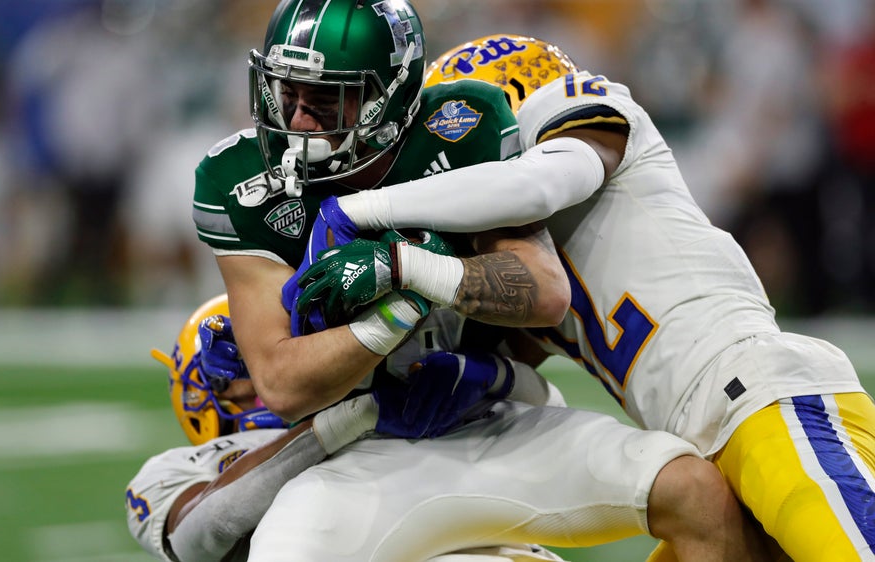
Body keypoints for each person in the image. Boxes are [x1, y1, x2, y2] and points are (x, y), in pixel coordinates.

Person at [191, 2, 770, 560]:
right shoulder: (237, 182)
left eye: (325, 98)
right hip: (356, 450)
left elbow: (543, 292)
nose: (296, 119)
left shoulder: (459, 128)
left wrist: (406, 268)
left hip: (489, 418)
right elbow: (285, 383)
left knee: (697, 494)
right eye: (285, 92)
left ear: (388, 98)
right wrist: (403, 305)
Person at [297, 33, 875, 560]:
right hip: (708, 463)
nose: (446, 154)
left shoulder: (577, 116)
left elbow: (541, 182)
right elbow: (495, 376)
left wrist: (363, 211)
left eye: (457, 128)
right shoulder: (518, 254)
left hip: (765, 398)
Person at [128, 295, 573, 562]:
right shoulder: (172, 471)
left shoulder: (392, 395)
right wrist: (350, 418)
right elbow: (198, 538)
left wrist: (496, 376)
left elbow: (552, 425)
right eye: (237, 373)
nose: (257, 385)